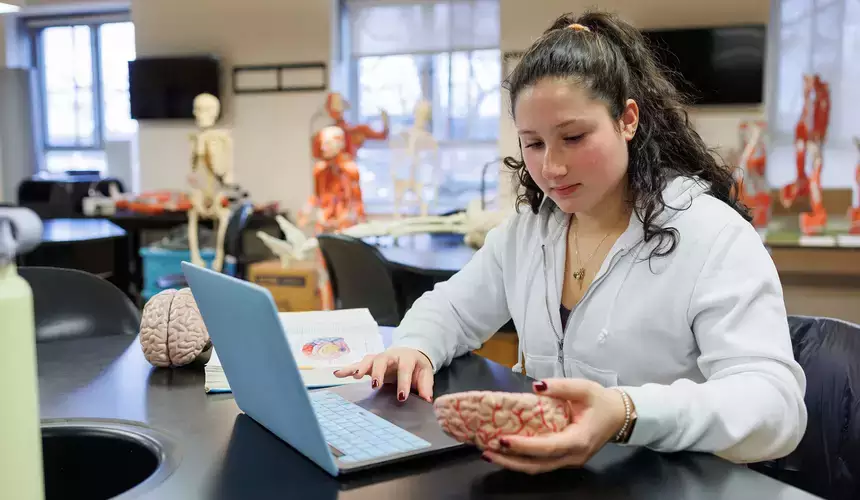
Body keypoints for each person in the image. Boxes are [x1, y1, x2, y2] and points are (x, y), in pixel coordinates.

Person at [334, 11, 807, 474]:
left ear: (627, 119)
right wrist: (415, 347)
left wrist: (627, 413)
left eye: (574, 137)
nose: (553, 168)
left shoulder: (712, 237)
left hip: (676, 483)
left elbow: (775, 406)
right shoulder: (531, 231)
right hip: (565, 479)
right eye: (534, 144)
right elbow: (451, 309)